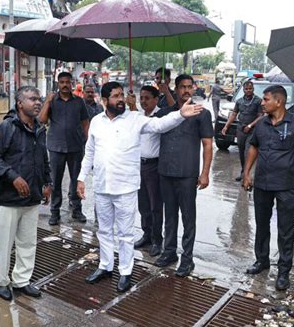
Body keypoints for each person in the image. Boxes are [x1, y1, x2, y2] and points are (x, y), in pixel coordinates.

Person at [77, 81, 203, 292]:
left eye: (122, 94)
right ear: (105, 100)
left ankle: (125, 271)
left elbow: (159, 125)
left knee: (125, 234)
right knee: (104, 231)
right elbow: (89, 151)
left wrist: (180, 114)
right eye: (116, 96)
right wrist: (81, 178)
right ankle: (105, 266)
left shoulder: (135, 119)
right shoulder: (97, 121)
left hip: (125, 187)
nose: (121, 99)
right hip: (101, 186)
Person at [243, 85, 294, 290]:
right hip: (262, 183)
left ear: (278, 102)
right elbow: (253, 146)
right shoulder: (261, 124)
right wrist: (246, 173)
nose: (262, 102)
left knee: (286, 230)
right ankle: (261, 260)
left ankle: (283, 272)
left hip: (288, 185)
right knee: (261, 224)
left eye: (266, 99)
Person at [0, 86, 52, 301]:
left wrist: (47, 182)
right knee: (3, 243)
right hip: (8, 200)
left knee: (28, 242)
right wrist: (13, 177)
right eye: (32, 99)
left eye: (39, 99)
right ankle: (2, 282)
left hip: (31, 199)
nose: (38, 102)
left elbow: (43, 159)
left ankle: (22, 280)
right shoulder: (5, 128)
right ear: (20, 103)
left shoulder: (39, 129)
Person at [154, 74, 214, 277]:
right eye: (182, 87)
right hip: (165, 172)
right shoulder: (164, 113)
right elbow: (146, 127)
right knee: (169, 216)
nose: (186, 90)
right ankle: (169, 251)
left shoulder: (201, 113)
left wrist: (205, 173)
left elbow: (207, 145)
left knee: (188, 217)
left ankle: (187, 259)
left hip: (187, 174)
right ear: (176, 89)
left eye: (189, 87)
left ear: (194, 88)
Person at [39, 72, 89, 226]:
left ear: (72, 83)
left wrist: (85, 139)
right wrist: (47, 102)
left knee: (76, 180)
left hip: (75, 147)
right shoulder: (52, 100)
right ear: (58, 83)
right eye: (62, 82)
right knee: (55, 181)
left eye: (68, 82)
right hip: (56, 147)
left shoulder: (79, 102)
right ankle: (55, 212)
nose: (65, 85)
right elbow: (42, 120)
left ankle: (77, 210)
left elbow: (85, 121)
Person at [129, 86, 164, 257]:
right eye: (141, 98)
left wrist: (133, 109)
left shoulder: (160, 116)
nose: (143, 101)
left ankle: (158, 239)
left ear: (156, 99)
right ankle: (147, 235)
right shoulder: (138, 116)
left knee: (155, 205)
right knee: (143, 204)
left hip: (154, 166)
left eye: (147, 98)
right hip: (139, 164)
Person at [221, 80, 263, 181]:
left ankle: (246, 174)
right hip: (240, 129)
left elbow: (261, 116)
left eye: (250, 89)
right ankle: (243, 172)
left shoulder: (258, 101)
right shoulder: (239, 101)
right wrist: (226, 126)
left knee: (247, 152)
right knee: (241, 151)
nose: (248, 91)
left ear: (253, 89)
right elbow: (234, 114)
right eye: (246, 89)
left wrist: (250, 125)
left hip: (252, 130)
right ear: (243, 90)